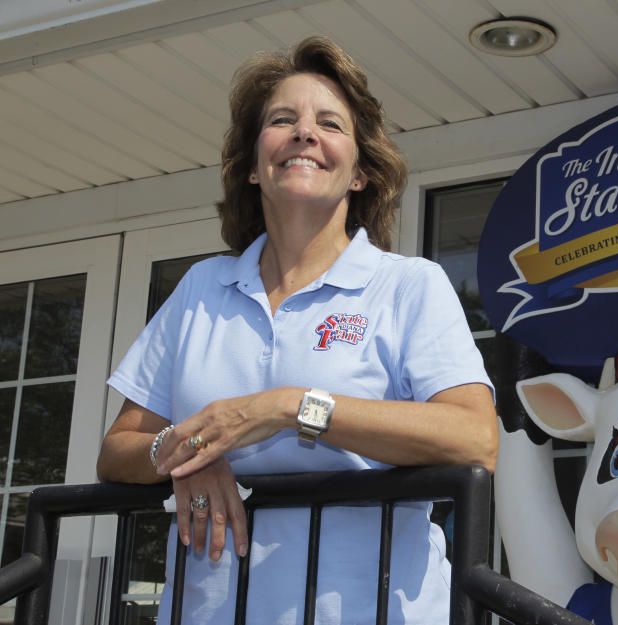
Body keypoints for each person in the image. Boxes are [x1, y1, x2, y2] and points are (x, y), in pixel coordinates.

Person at [96, 35, 497, 625]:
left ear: (360, 172)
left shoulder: (410, 285)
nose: (305, 133)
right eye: (283, 120)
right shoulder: (200, 290)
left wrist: (290, 408)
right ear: (256, 167)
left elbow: (474, 439)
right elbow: (117, 450)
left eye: (329, 123)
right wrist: (187, 452)